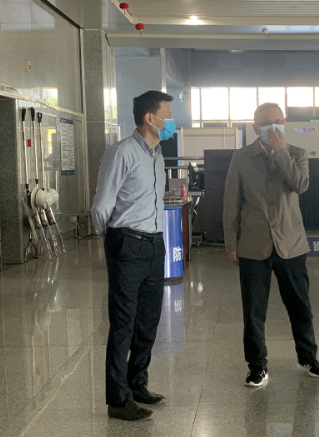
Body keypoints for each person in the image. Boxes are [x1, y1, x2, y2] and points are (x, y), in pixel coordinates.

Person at [223, 102, 319, 387]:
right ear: (255, 127)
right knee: (254, 310)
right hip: (252, 244)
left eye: (279, 121)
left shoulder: (297, 153)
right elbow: (231, 202)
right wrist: (231, 243)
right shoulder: (241, 157)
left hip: (291, 244)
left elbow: (300, 185)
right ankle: (257, 365)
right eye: (267, 122)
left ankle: (308, 357)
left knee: (300, 305)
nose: (274, 126)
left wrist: (281, 152)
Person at [92, 91, 175, 421]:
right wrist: (114, 241)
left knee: (148, 321)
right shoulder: (121, 153)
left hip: (155, 245)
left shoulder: (157, 155)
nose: (172, 122)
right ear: (149, 118)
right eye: (168, 115)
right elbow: (101, 206)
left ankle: (137, 383)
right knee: (123, 324)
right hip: (127, 243)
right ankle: (117, 399)